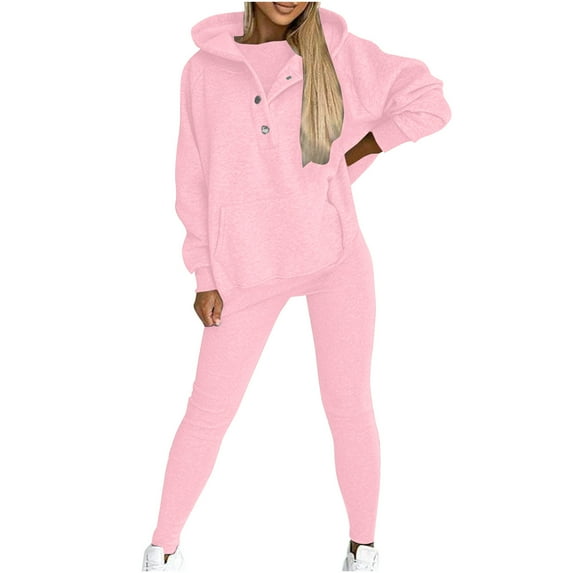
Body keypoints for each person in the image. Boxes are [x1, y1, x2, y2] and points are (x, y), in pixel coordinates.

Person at [141, 2, 451, 571]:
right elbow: (192, 175)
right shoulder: (202, 70)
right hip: (244, 268)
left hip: (336, 257)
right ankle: (161, 550)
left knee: (349, 405)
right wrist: (204, 273)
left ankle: (363, 549)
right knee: (208, 411)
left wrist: (353, 155)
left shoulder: (338, 53)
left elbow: (429, 101)